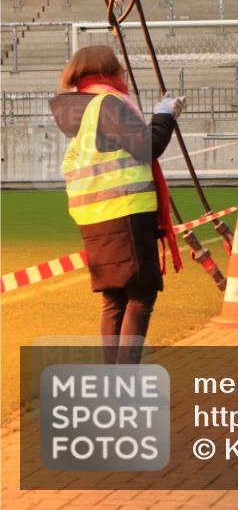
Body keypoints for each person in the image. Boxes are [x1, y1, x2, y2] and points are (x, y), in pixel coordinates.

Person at [50, 45, 185, 365]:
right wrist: (165, 116)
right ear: (110, 70)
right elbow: (147, 145)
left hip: (94, 215)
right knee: (141, 296)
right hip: (124, 212)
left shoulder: (80, 108)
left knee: (115, 299)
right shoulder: (107, 103)